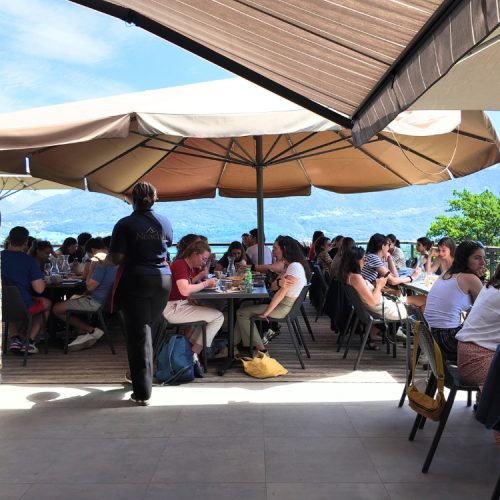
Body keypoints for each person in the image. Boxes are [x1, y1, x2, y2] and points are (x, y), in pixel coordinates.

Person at [109, 181, 173, 406]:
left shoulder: (125, 224)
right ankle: (142, 379)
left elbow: (116, 258)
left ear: (132, 199)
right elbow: (166, 247)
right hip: (163, 280)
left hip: (136, 279)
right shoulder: (165, 222)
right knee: (147, 331)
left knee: (138, 336)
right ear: (155, 198)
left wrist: (102, 259)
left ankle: (142, 392)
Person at [233, 236, 308, 355]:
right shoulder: (290, 266)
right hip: (282, 304)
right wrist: (279, 282)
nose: (273, 251)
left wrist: (266, 313)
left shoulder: (294, 267)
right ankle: (232, 347)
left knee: (242, 312)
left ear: (285, 249)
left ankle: (261, 350)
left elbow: (280, 293)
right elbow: (273, 286)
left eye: (275, 248)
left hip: (283, 307)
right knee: (245, 306)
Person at [339, 246, 425, 350]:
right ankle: (424, 343)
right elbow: (373, 301)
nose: (365, 262)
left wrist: (376, 285)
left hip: (382, 306)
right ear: (355, 261)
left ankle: (420, 341)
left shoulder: (348, 275)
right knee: (424, 301)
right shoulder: (356, 277)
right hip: (385, 309)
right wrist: (379, 286)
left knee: (422, 298)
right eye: (363, 259)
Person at [162, 240, 223, 375]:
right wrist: (206, 284)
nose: (203, 262)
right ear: (195, 254)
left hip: (177, 304)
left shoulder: (185, 265)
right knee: (218, 317)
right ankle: (194, 354)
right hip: (173, 308)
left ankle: (191, 352)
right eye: (203, 258)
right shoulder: (180, 265)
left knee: (209, 315)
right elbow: (184, 290)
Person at [424, 240, 486, 363]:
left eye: (483, 258)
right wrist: (480, 279)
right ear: (465, 259)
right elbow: (485, 310)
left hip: (429, 335)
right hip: (447, 339)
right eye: (477, 258)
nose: (483, 263)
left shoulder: (448, 272)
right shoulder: (470, 278)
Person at [52, 240, 117, 352]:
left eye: (90, 255)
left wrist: (91, 268)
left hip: (96, 302)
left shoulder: (102, 262)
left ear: (93, 251)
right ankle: (82, 333)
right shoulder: (114, 259)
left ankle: (91, 330)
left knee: (56, 308)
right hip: (107, 301)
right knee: (73, 299)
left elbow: (90, 287)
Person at [1, 226, 52, 354]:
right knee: (47, 303)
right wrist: (44, 280)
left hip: (3, 306)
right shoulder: (29, 261)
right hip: (23, 305)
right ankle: (30, 341)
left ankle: (14, 339)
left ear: (9, 239)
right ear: (25, 243)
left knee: (8, 302)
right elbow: (39, 289)